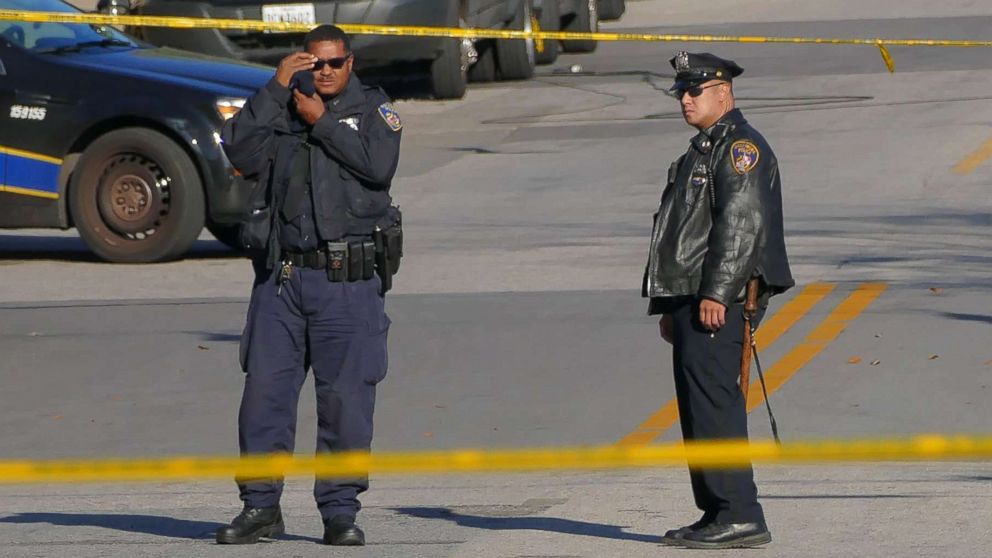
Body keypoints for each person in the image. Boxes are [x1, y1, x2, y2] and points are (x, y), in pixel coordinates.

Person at [215, 24, 402, 546]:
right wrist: (275, 87)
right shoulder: (284, 105)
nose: (324, 72)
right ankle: (260, 507)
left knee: (345, 402)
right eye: (314, 64)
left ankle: (339, 512)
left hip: (348, 280)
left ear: (350, 62)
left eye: (334, 63)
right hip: (284, 279)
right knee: (264, 398)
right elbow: (237, 148)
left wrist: (323, 124)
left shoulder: (374, 111)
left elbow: (377, 166)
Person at [642, 51, 794, 549]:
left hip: (717, 294)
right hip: (691, 294)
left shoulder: (739, 149)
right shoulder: (704, 149)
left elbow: (740, 226)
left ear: (724, 92)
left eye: (695, 91)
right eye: (682, 92)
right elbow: (684, 233)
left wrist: (717, 293)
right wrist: (669, 305)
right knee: (698, 405)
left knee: (715, 404)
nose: (685, 99)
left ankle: (739, 513)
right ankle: (716, 511)